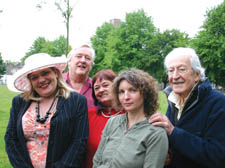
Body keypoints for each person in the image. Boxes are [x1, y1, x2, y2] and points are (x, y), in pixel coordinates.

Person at [5, 53, 89, 168]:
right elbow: (11, 138)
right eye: (34, 77)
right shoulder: (19, 102)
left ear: (55, 72)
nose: (41, 80)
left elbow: (79, 141)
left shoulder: (77, 101)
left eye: (45, 73)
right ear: (30, 81)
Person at [149, 47, 225, 168]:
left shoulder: (218, 103)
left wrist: (173, 132)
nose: (175, 76)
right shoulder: (173, 101)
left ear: (197, 75)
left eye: (181, 69)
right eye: (171, 70)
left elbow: (218, 156)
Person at [93, 68, 168, 168]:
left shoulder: (155, 133)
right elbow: (97, 161)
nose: (126, 97)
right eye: (121, 92)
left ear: (145, 93)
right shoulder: (112, 122)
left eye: (132, 90)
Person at [83, 69, 125, 168]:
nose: (101, 90)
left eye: (105, 85)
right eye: (97, 88)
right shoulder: (88, 115)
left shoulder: (130, 113)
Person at [63, 44, 95, 108]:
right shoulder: (57, 82)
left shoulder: (96, 88)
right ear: (69, 61)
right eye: (79, 56)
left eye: (87, 58)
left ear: (91, 65)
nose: (83, 60)